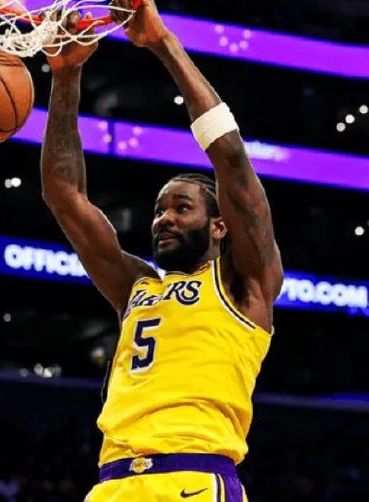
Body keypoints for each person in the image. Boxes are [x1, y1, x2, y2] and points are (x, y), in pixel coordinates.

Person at [40, 0, 284, 500]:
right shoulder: (137, 287)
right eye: (158, 210)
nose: (163, 218)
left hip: (192, 477)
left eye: (181, 207)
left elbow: (231, 160)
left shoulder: (244, 285)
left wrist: (163, 43)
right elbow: (65, 196)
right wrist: (65, 76)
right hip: (112, 484)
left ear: (219, 226)